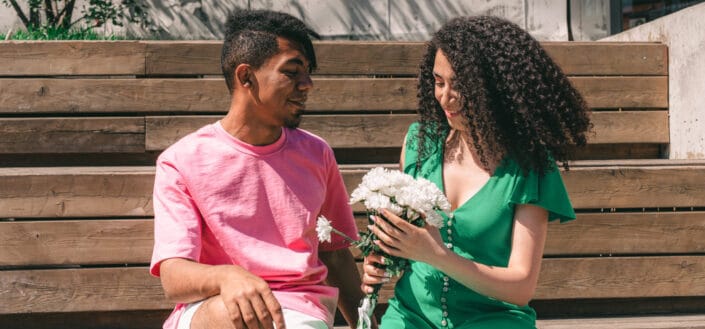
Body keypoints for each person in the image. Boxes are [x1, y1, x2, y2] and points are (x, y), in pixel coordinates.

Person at [361, 16, 591, 329]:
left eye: (460, 85)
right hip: (410, 316)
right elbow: (405, 243)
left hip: (493, 319)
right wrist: (383, 262)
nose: (445, 96)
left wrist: (436, 255)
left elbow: (521, 287)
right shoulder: (419, 143)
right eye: (439, 82)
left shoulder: (529, 166)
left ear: (496, 89)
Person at [150, 9, 365, 329]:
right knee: (235, 316)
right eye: (292, 72)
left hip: (298, 311)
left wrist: (367, 324)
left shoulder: (316, 154)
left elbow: (334, 254)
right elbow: (173, 275)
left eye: (308, 73)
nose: (307, 85)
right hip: (211, 309)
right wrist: (228, 276)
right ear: (246, 76)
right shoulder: (181, 161)